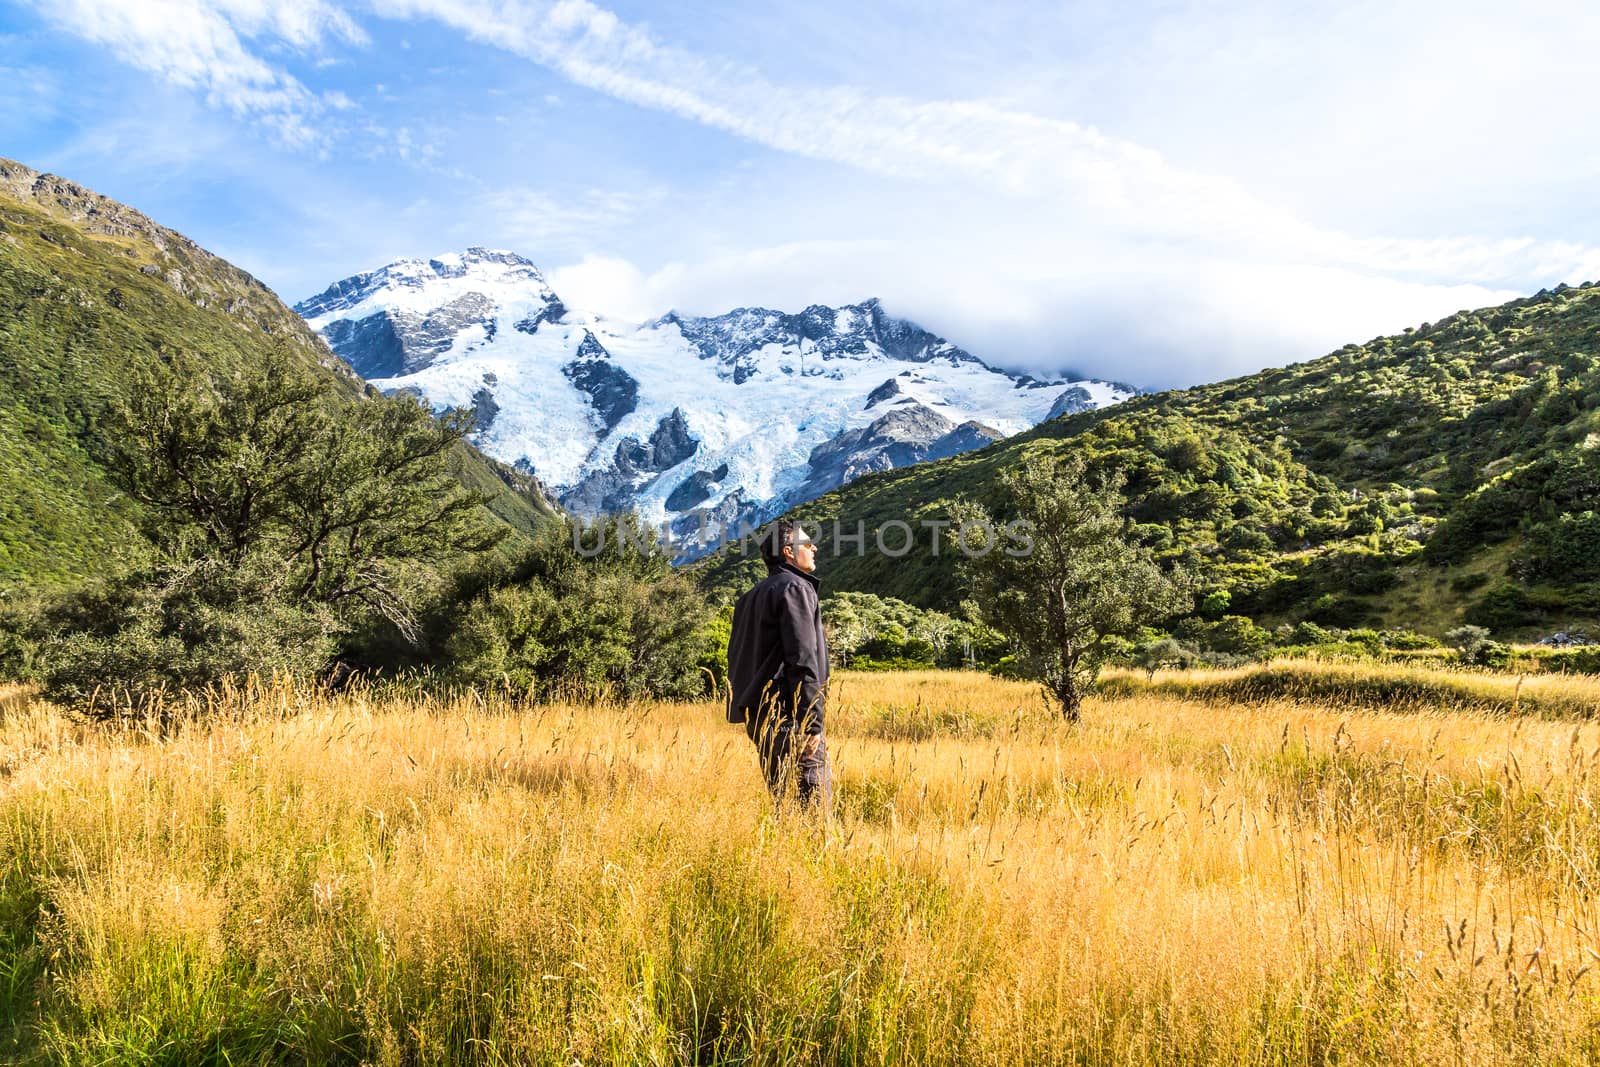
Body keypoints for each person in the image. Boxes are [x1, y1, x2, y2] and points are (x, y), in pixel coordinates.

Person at [726, 518, 832, 812]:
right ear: (788, 551)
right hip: (791, 718)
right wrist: (812, 724)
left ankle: (782, 858)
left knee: (783, 806)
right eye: (807, 543)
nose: (814, 548)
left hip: (762, 719)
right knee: (814, 812)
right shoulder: (796, 588)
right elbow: (803, 658)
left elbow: (735, 659)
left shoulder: (749, 598)